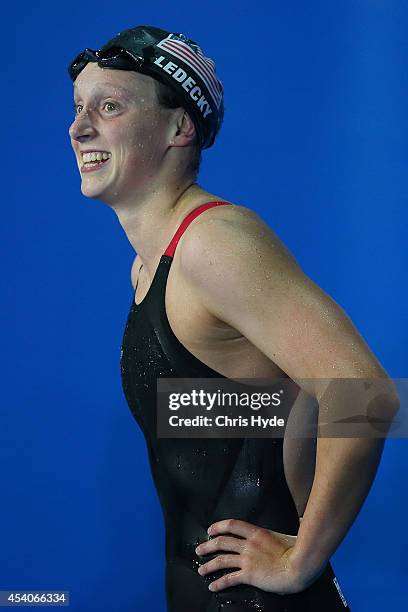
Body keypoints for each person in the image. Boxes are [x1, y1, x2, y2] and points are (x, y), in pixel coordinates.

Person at [68, 25, 399, 611]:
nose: (79, 128)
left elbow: (367, 393)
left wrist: (300, 560)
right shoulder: (152, 267)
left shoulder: (213, 244)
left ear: (179, 127)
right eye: (78, 109)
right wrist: (289, 410)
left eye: (109, 107)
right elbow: (259, 408)